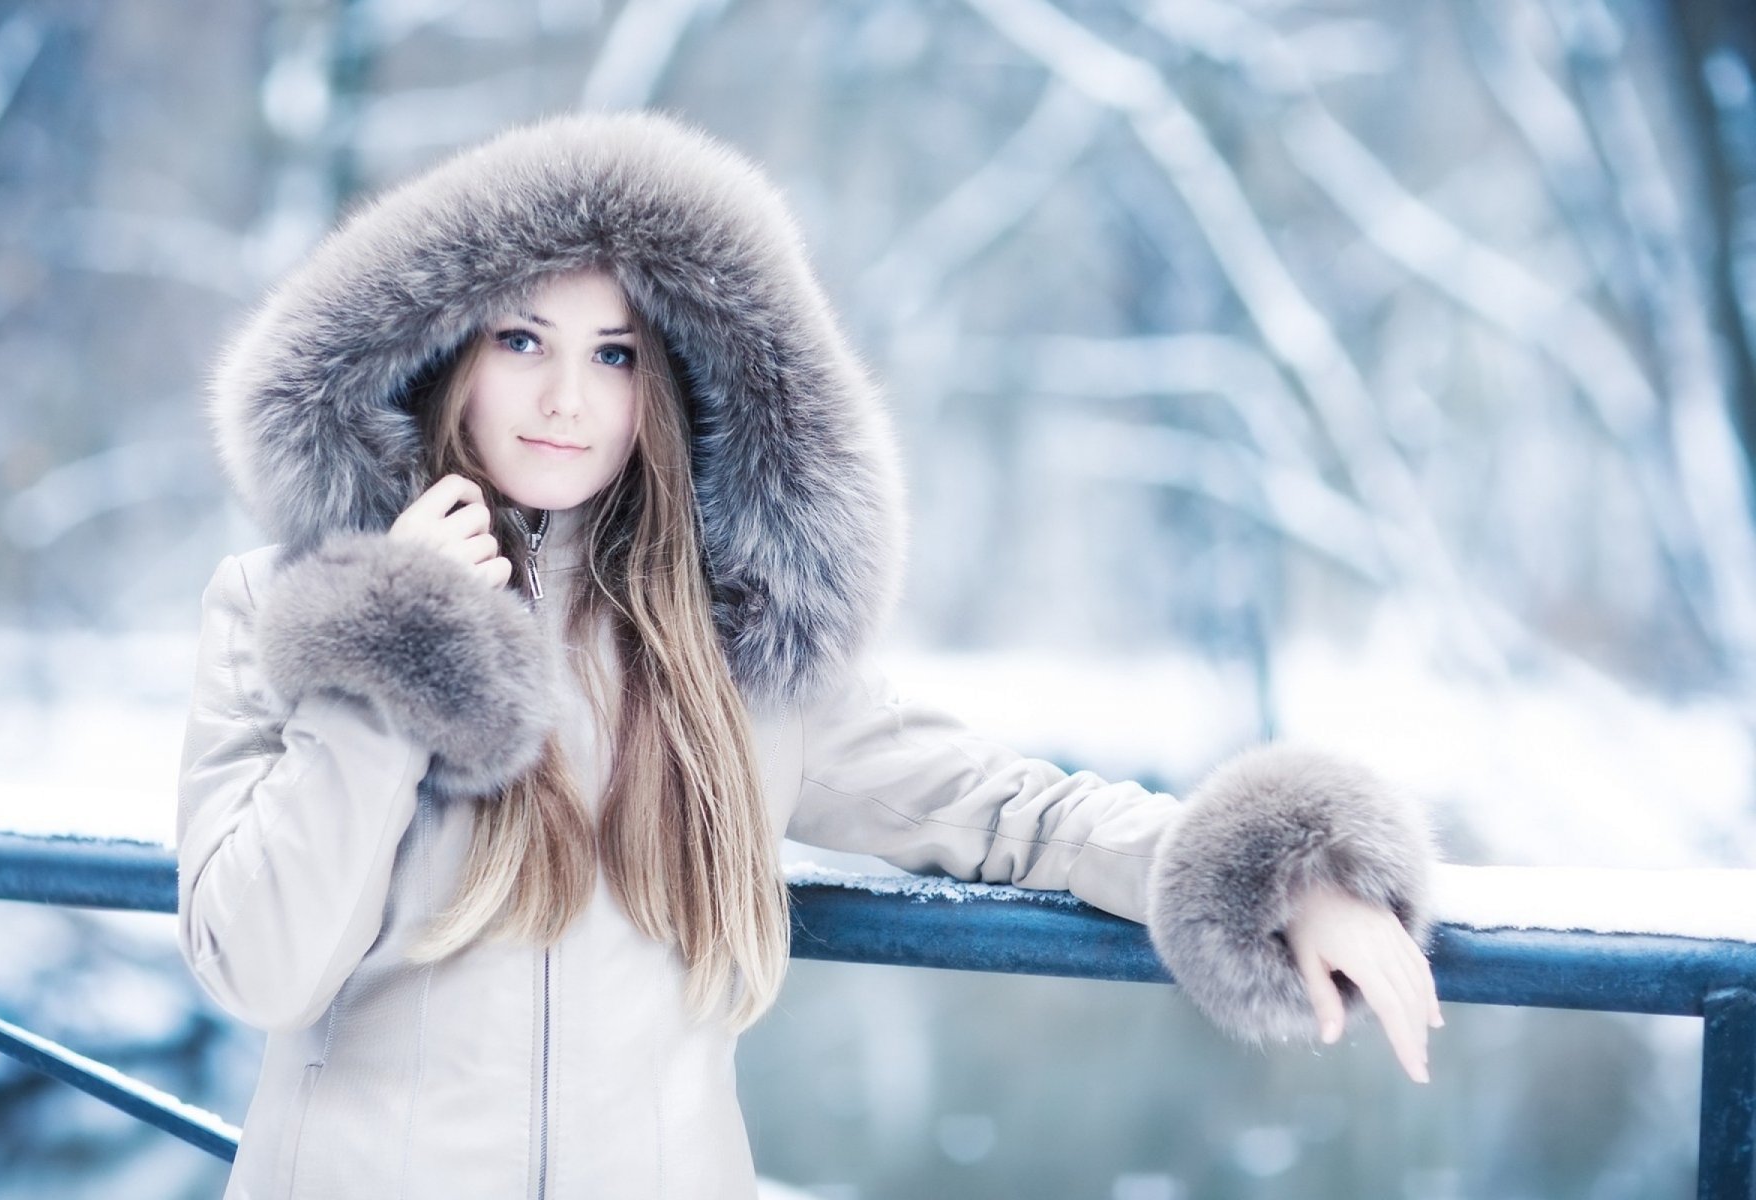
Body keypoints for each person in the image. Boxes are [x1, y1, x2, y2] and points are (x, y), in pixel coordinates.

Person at [177, 111, 1440, 1199]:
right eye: (521, 340)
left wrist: (1281, 876)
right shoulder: (279, 610)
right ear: (440, 353)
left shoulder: (731, 651)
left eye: (613, 354)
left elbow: (1008, 811)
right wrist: (398, 649)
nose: (567, 398)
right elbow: (262, 963)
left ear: (665, 388)